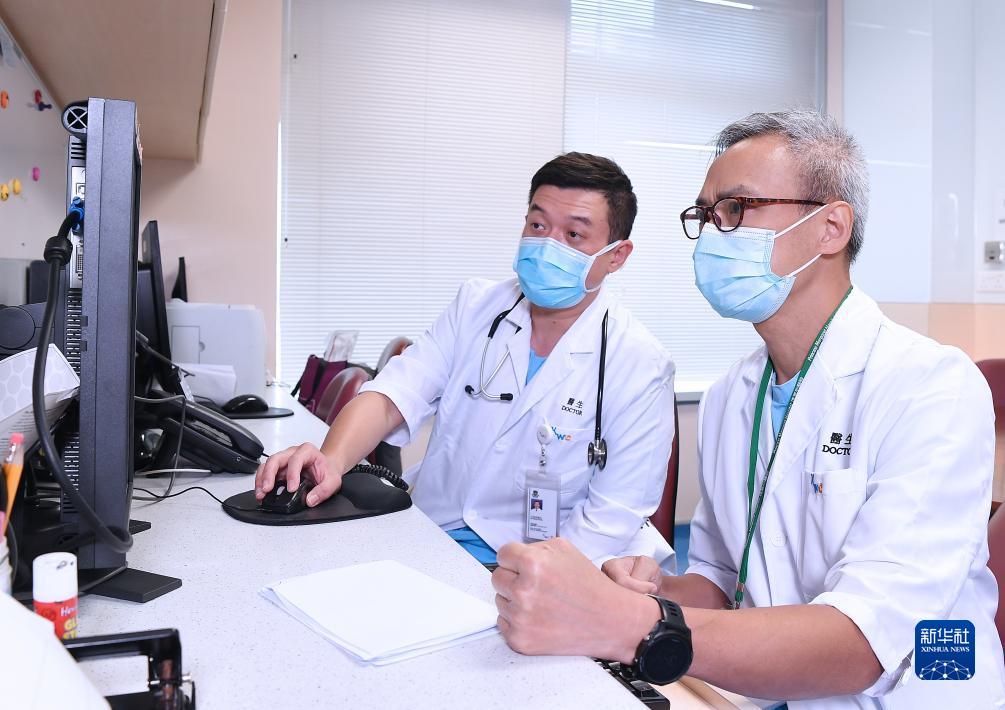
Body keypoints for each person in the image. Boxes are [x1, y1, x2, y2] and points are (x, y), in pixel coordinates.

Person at [490, 111, 1005, 708]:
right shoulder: (732, 395)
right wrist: (653, 592)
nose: (713, 234)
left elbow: (863, 642)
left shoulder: (932, 387)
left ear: (830, 228)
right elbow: (720, 581)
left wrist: (627, 622)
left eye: (736, 208)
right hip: (768, 693)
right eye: (706, 215)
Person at [257, 152, 676, 566]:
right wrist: (331, 460)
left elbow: (611, 516)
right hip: (430, 538)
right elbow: (392, 395)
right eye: (538, 225)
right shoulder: (476, 306)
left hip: (547, 569)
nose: (548, 245)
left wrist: (532, 581)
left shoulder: (640, 363)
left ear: (617, 255)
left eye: (573, 235)